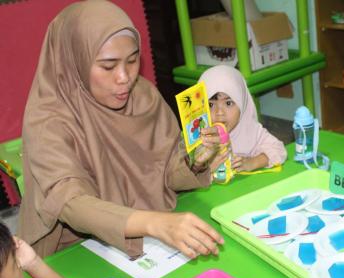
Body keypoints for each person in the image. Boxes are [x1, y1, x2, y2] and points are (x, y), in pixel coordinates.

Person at [18, 0, 224, 260]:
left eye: (132, 60)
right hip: (74, 249)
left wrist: (194, 162)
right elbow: (69, 202)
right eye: (108, 66)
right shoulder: (47, 118)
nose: (125, 77)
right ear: (75, 61)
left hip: (146, 234)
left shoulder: (142, 95)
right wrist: (155, 223)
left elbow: (164, 170)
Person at [199, 65, 287, 173]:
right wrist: (204, 170)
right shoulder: (199, 136)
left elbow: (279, 150)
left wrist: (252, 162)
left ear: (243, 104)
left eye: (228, 103)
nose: (219, 113)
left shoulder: (250, 130)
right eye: (210, 105)